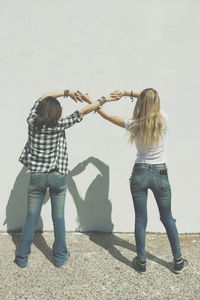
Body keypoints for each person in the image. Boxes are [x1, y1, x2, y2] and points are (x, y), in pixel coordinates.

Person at [78, 88, 188, 274]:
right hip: (160, 173)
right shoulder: (163, 117)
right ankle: (178, 262)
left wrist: (93, 101)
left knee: (140, 219)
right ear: (156, 103)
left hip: (140, 173)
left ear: (141, 104)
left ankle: (142, 262)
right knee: (167, 218)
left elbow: (107, 116)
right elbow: (151, 97)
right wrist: (129, 92)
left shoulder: (134, 124)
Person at [14, 89, 119, 268]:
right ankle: (60, 257)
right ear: (57, 114)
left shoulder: (31, 121)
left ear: (40, 110)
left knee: (31, 217)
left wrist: (66, 92)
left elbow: (41, 96)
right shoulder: (60, 125)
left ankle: (22, 257)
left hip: (37, 177)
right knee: (59, 218)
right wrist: (104, 99)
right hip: (58, 176)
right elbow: (84, 111)